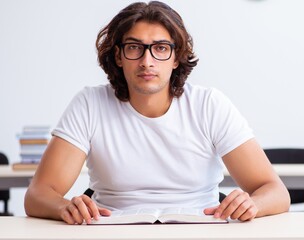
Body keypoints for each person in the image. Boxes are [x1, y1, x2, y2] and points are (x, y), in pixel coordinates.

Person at [24, 1, 290, 225]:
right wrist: (63, 207)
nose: (147, 61)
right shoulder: (90, 103)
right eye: (134, 47)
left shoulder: (209, 105)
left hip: (202, 229)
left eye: (160, 48)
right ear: (119, 56)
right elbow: (38, 194)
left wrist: (252, 203)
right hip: (112, 230)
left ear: (176, 58)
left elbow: (275, 191)